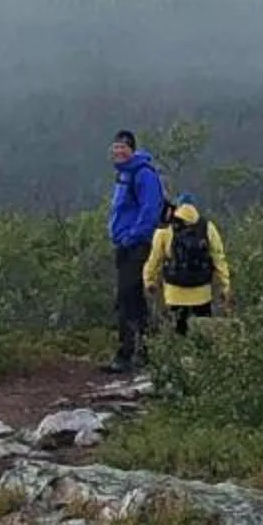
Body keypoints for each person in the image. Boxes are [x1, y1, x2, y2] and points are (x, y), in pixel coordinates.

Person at [104, 128, 166, 371]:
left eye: (122, 147)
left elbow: (150, 209)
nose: (118, 152)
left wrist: (132, 236)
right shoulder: (124, 176)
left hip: (137, 245)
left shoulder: (143, 174)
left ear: (132, 149)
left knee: (128, 297)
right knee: (133, 299)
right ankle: (142, 352)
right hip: (124, 243)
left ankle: (127, 354)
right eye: (115, 148)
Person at [145, 193, 232, 336]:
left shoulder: (166, 229)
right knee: (202, 334)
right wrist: (225, 285)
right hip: (202, 292)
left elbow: (154, 259)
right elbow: (219, 258)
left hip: (174, 293)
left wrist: (149, 280)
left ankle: (179, 357)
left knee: (178, 334)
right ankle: (201, 357)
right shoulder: (208, 227)